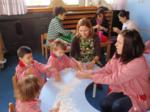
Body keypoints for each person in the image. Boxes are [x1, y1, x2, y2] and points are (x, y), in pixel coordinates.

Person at [77, 30, 150, 112]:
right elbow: (107, 69)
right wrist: (89, 73)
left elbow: (114, 79)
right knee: (104, 103)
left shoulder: (138, 62)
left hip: (137, 94)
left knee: (118, 106)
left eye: (119, 42)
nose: (115, 44)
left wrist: (90, 76)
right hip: (122, 88)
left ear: (128, 46)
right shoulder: (118, 54)